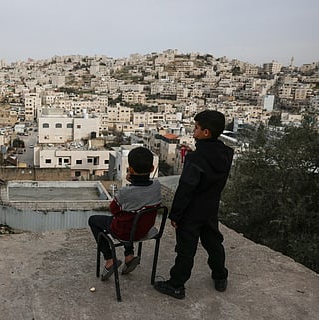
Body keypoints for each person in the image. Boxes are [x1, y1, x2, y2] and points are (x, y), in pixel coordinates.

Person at [154, 110, 233, 299]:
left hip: (191, 212)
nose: (193, 131)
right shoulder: (226, 153)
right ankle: (220, 276)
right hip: (210, 208)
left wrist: (176, 214)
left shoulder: (196, 159)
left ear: (206, 132)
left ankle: (176, 285)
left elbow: (186, 188)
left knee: (186, 250)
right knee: (214, 243)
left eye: (196, 128)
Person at [88, 146, 162, 280]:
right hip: (146, 229)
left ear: (131, 169)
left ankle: (109, 259)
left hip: (125, 232)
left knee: (94, 220)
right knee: (131, 218)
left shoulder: (126, 193)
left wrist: (130, 184)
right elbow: (142, 191)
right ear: (152, 168)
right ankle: (129, 256)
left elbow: (113, 209)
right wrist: (133, 181)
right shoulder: (157, 186)